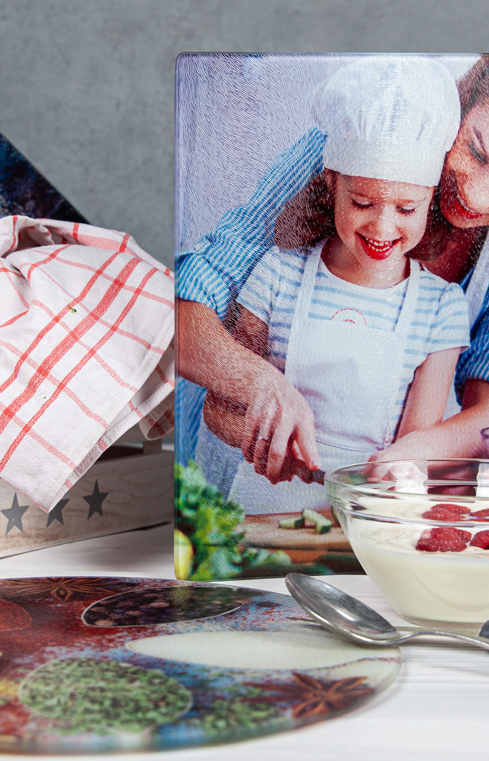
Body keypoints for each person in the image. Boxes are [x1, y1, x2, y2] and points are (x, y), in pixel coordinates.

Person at [177, 55, 489, 484]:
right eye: (476, 151)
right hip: (213, 457)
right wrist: (262, 384)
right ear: (468, 100)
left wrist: (407, 456)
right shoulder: (364, 131)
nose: (474, 197)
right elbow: (187, 309)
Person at [195, 57, 469, 512]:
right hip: (261, 508)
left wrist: (390, 482)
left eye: (406, 209)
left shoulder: (441, 307)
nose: (383, 227)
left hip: (366, 517)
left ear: (429, 199)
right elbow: (216, 408)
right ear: (332, 182)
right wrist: (268, 444)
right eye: (363, 202)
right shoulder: (278, 274)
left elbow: (418, 446)